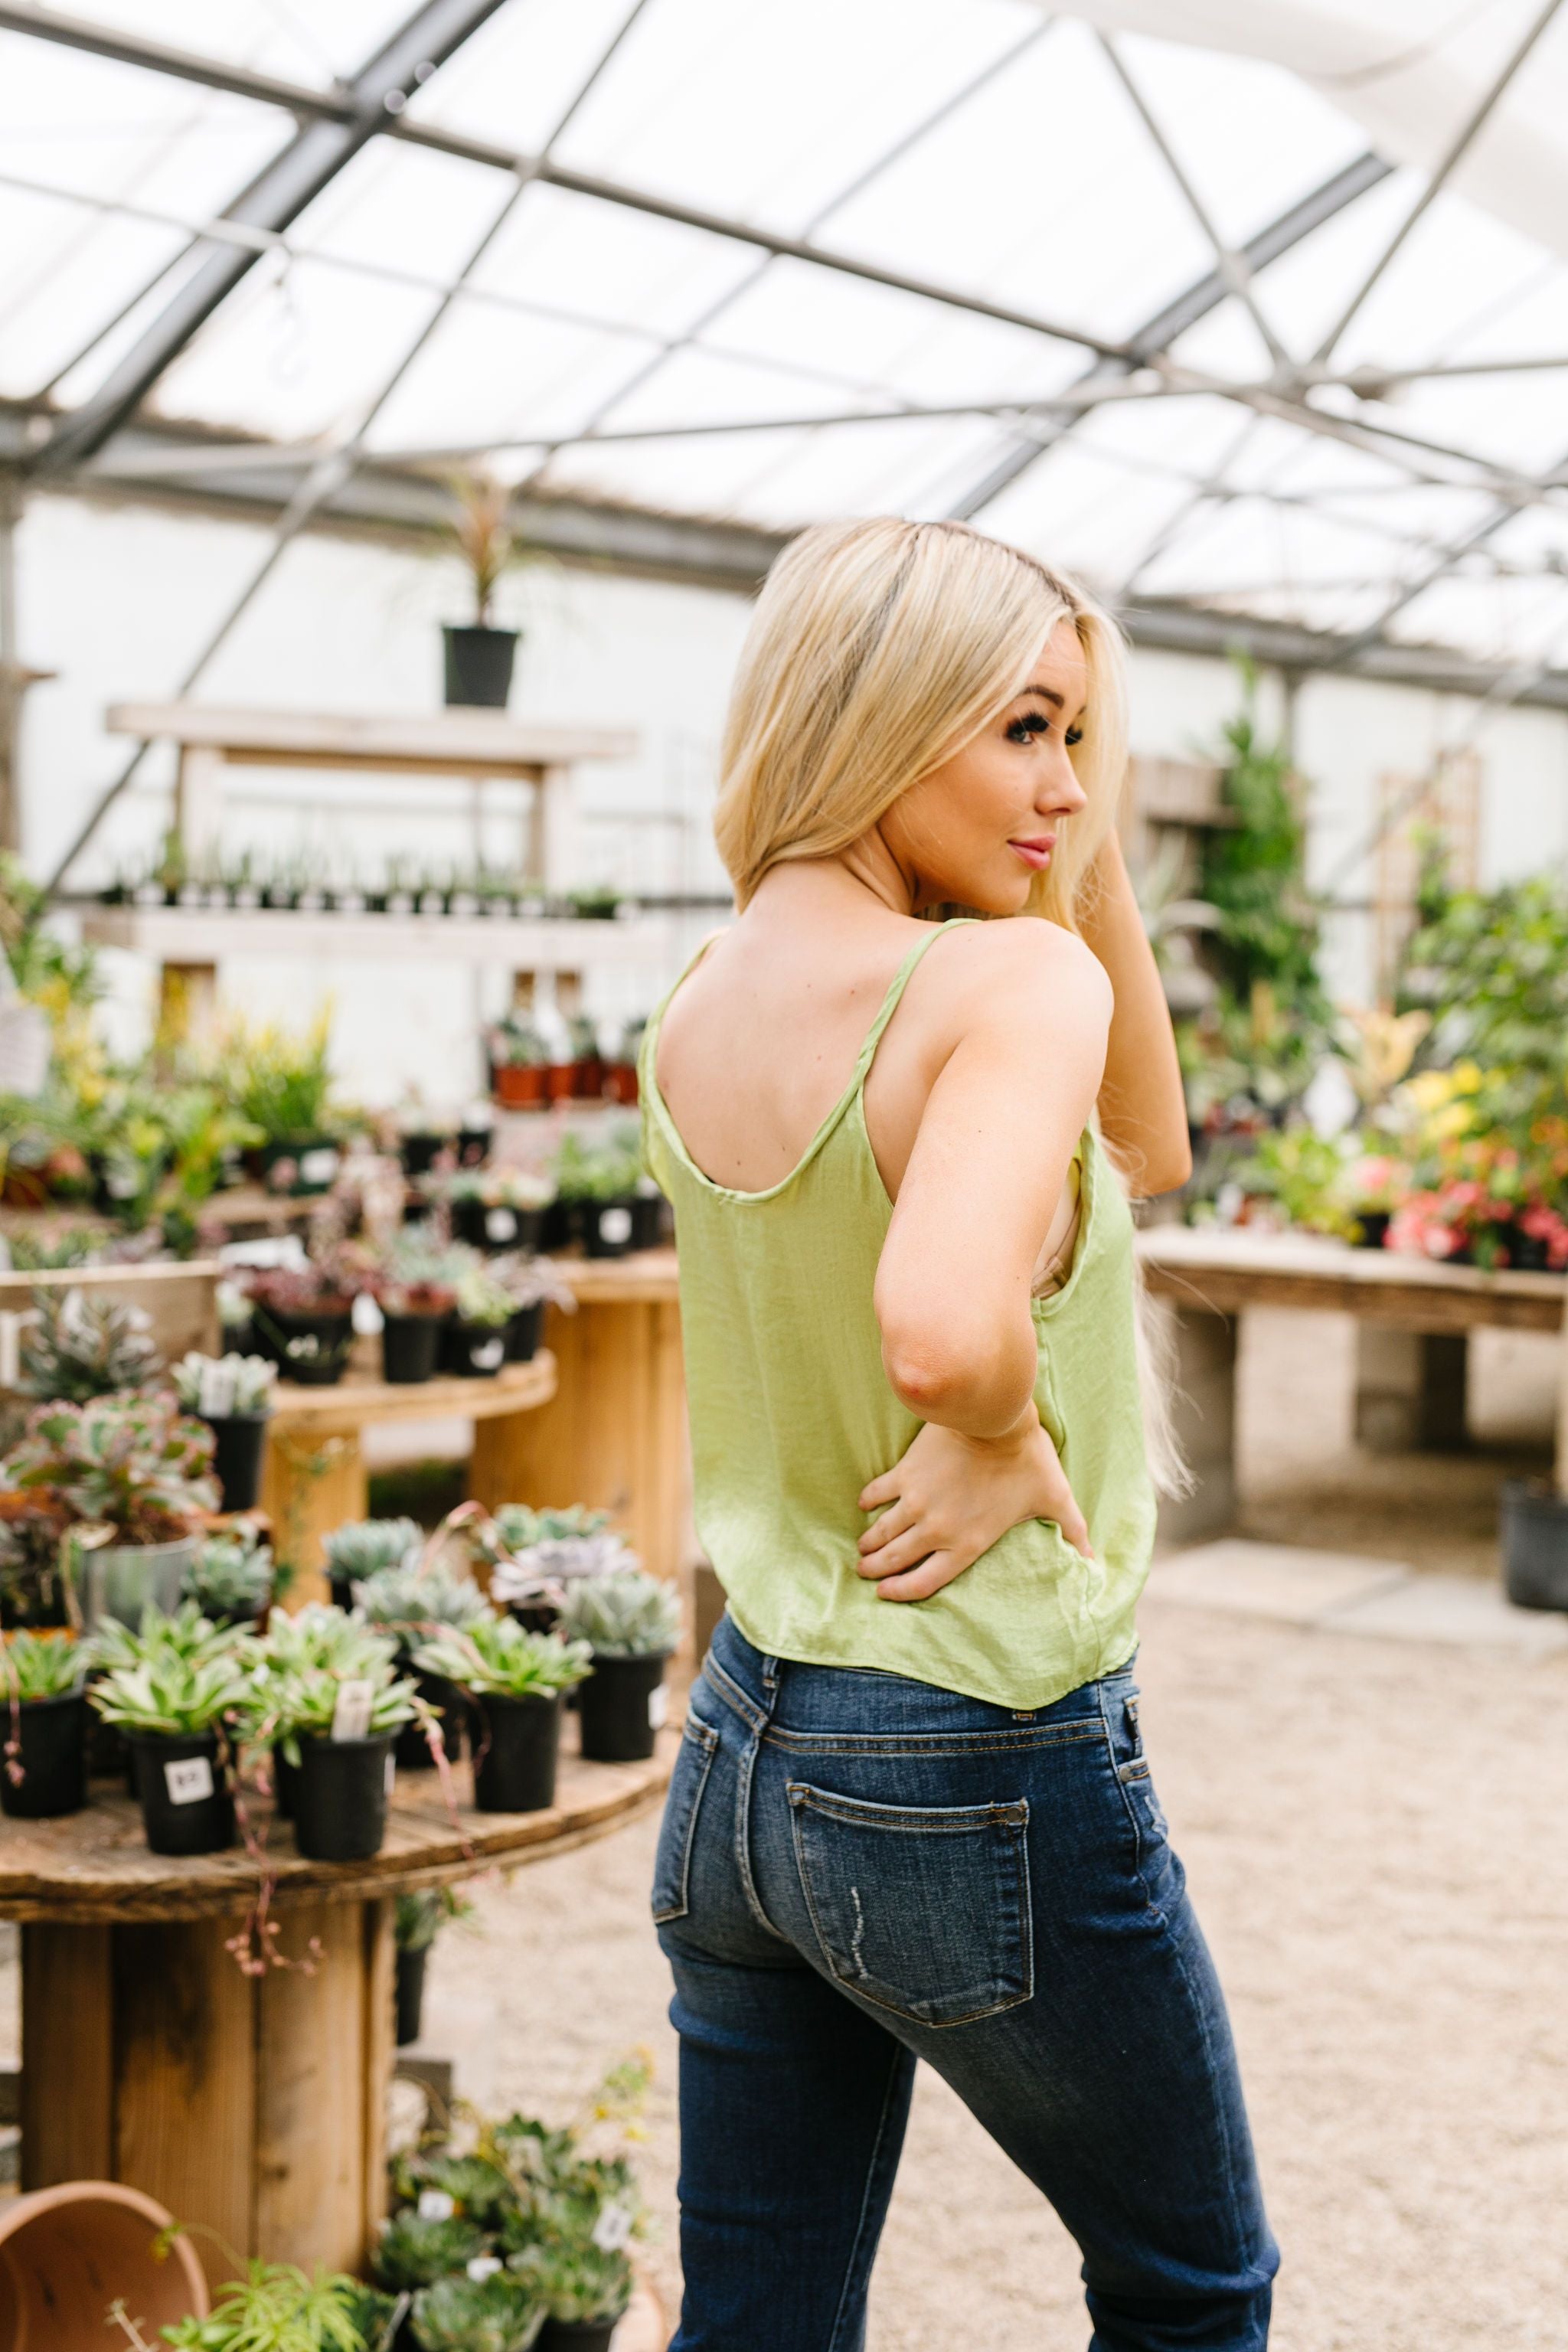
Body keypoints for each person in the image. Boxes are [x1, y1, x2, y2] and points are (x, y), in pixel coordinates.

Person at [639, 518, 1277, 2351]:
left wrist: (1062, 852)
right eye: (1021, 730)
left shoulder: (700, 998)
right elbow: (938, 1324)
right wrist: (996, 1425)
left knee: (757, 2321)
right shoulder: (995, 994)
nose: (1064, 788)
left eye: (1076, 740)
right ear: (877, 710)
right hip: (967, 1744)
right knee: (1190, 2293)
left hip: (746, 1751)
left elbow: (1137, 1149)